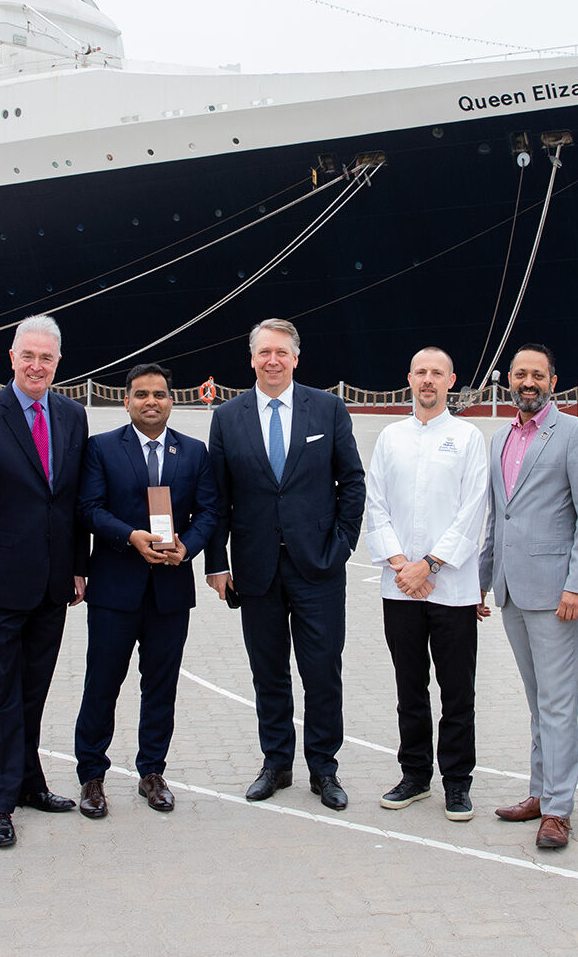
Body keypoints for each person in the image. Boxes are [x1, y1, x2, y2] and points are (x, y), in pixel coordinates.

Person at [205, 318, 366, 811]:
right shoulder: (227, 417)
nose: (272, 360)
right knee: (268, 672)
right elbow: (217, 497)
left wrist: (342, 545)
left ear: (296, 358)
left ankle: (324, 768)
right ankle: (276, 763)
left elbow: (352, 482)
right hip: (255, 568)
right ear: (252, 359)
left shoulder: (328, 408)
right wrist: (216, 563)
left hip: (318, 567)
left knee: (322, 671)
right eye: (264, 352)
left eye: (281, 352)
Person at [0, 314, 89, 849]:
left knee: (32, 693)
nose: (36, 366)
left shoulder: (73, 415)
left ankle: (29, 783)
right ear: (11, 358)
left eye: (46, 358)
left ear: (58, 362)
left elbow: (74, 501)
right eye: (28, 356)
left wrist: (79, 565)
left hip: (52, 585)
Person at [73, 362, 221, 817]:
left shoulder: (193, 452)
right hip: (114, 590)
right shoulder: (101, 448)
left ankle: (152, 771)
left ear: (171, 401)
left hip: (170, 590)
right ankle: (92, 776)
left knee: (160, 686)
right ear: (126, 401)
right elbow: (89, 508)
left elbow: (210, 512)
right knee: (102, 684)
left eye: (159, 394)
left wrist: (187, 546)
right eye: (141, 394)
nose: (151, 402)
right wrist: (130, 536)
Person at [479, 343, 578, 850]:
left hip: (556, 594)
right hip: (512, 589)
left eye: (537, 374)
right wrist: (482, 581)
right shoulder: (500, 437)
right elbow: (498, 516)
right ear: (508, 379)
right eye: (520, 374)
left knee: (557, 703)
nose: (527, 382)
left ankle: (558, 809)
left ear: (554, 380)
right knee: (538, 702)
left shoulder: (576, 434)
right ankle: (539, 791)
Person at [362, 346, 490, 823]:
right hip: (400, 588)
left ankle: (457, 782)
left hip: (452, 589)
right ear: (410, 378)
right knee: (409, 688)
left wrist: (430, 565)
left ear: (451, 381)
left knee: (457, 691)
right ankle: (415, 775)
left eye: (438, 373)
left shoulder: (468, 437)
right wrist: (402, 565)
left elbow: (473, 509)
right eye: (421, 372)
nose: (429, 380)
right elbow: (375, 505)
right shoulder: (390, 438)